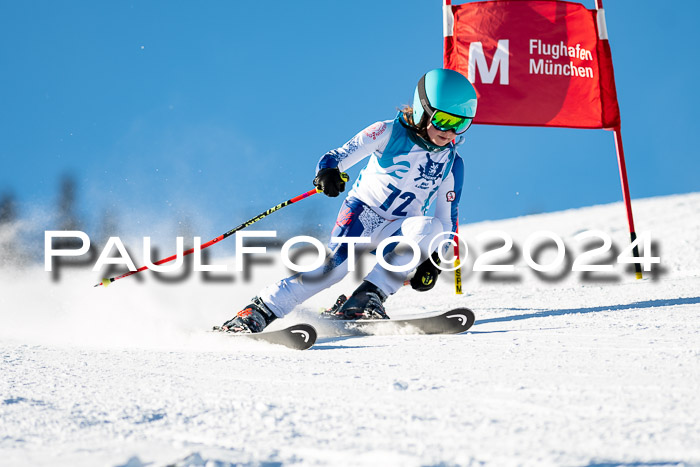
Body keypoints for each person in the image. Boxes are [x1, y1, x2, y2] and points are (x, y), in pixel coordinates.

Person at [221, 68, 477, 333]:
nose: (450, 131)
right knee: (333, 271)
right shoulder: (386, 131)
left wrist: (434, 259)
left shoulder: (451, 163)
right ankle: (259, 310)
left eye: (460, 123)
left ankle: (366, 298)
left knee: (431, 228)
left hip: (399, 228)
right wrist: (328, 173)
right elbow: (337, 155)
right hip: (363, 215)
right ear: (423, 110)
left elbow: (447, 218)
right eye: (444, 120)